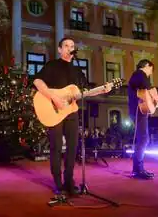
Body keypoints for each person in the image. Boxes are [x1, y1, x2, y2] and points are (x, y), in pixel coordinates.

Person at [33, 37, 112, 196]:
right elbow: (37, 81)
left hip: (71, 112)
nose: (70, 48)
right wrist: (54, 98)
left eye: (72, 46)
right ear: (60, 49)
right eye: (66, 46)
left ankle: (69, 180)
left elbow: (85, 91)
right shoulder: (52, 65)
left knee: (72, 147)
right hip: (53, 109)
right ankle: (57, 182)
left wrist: (103, 89)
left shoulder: (77, 70)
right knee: (56, 147)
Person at [128, 59, 158, 179]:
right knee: (143, 139)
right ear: (147, 66)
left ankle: (138, 169)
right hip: (138, 111)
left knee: (143, 139)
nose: (151, 73)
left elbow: (145, 94)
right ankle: (138, 170)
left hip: (140, 110)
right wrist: (157, 96)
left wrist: (157, 97)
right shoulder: (140, 74)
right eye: (151, 69)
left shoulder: (139, 76)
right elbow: (148, 89)